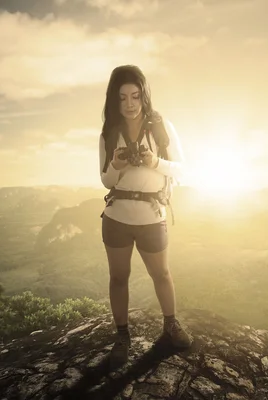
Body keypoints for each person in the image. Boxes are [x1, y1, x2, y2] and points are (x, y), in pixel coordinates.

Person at [98, 65, 192, 368]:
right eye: (123, 97)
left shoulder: (161, 127)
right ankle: (122, 336)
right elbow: (106, 181)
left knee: (162, 274)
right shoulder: (109, 133)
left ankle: (171, 324)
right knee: (118, 277)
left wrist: (155, 162)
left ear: (143, 96)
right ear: (114, 99)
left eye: (135, 96)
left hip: (152, 216)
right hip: (117, 218)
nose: (129, 103)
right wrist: (116, 164)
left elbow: (182, 169)